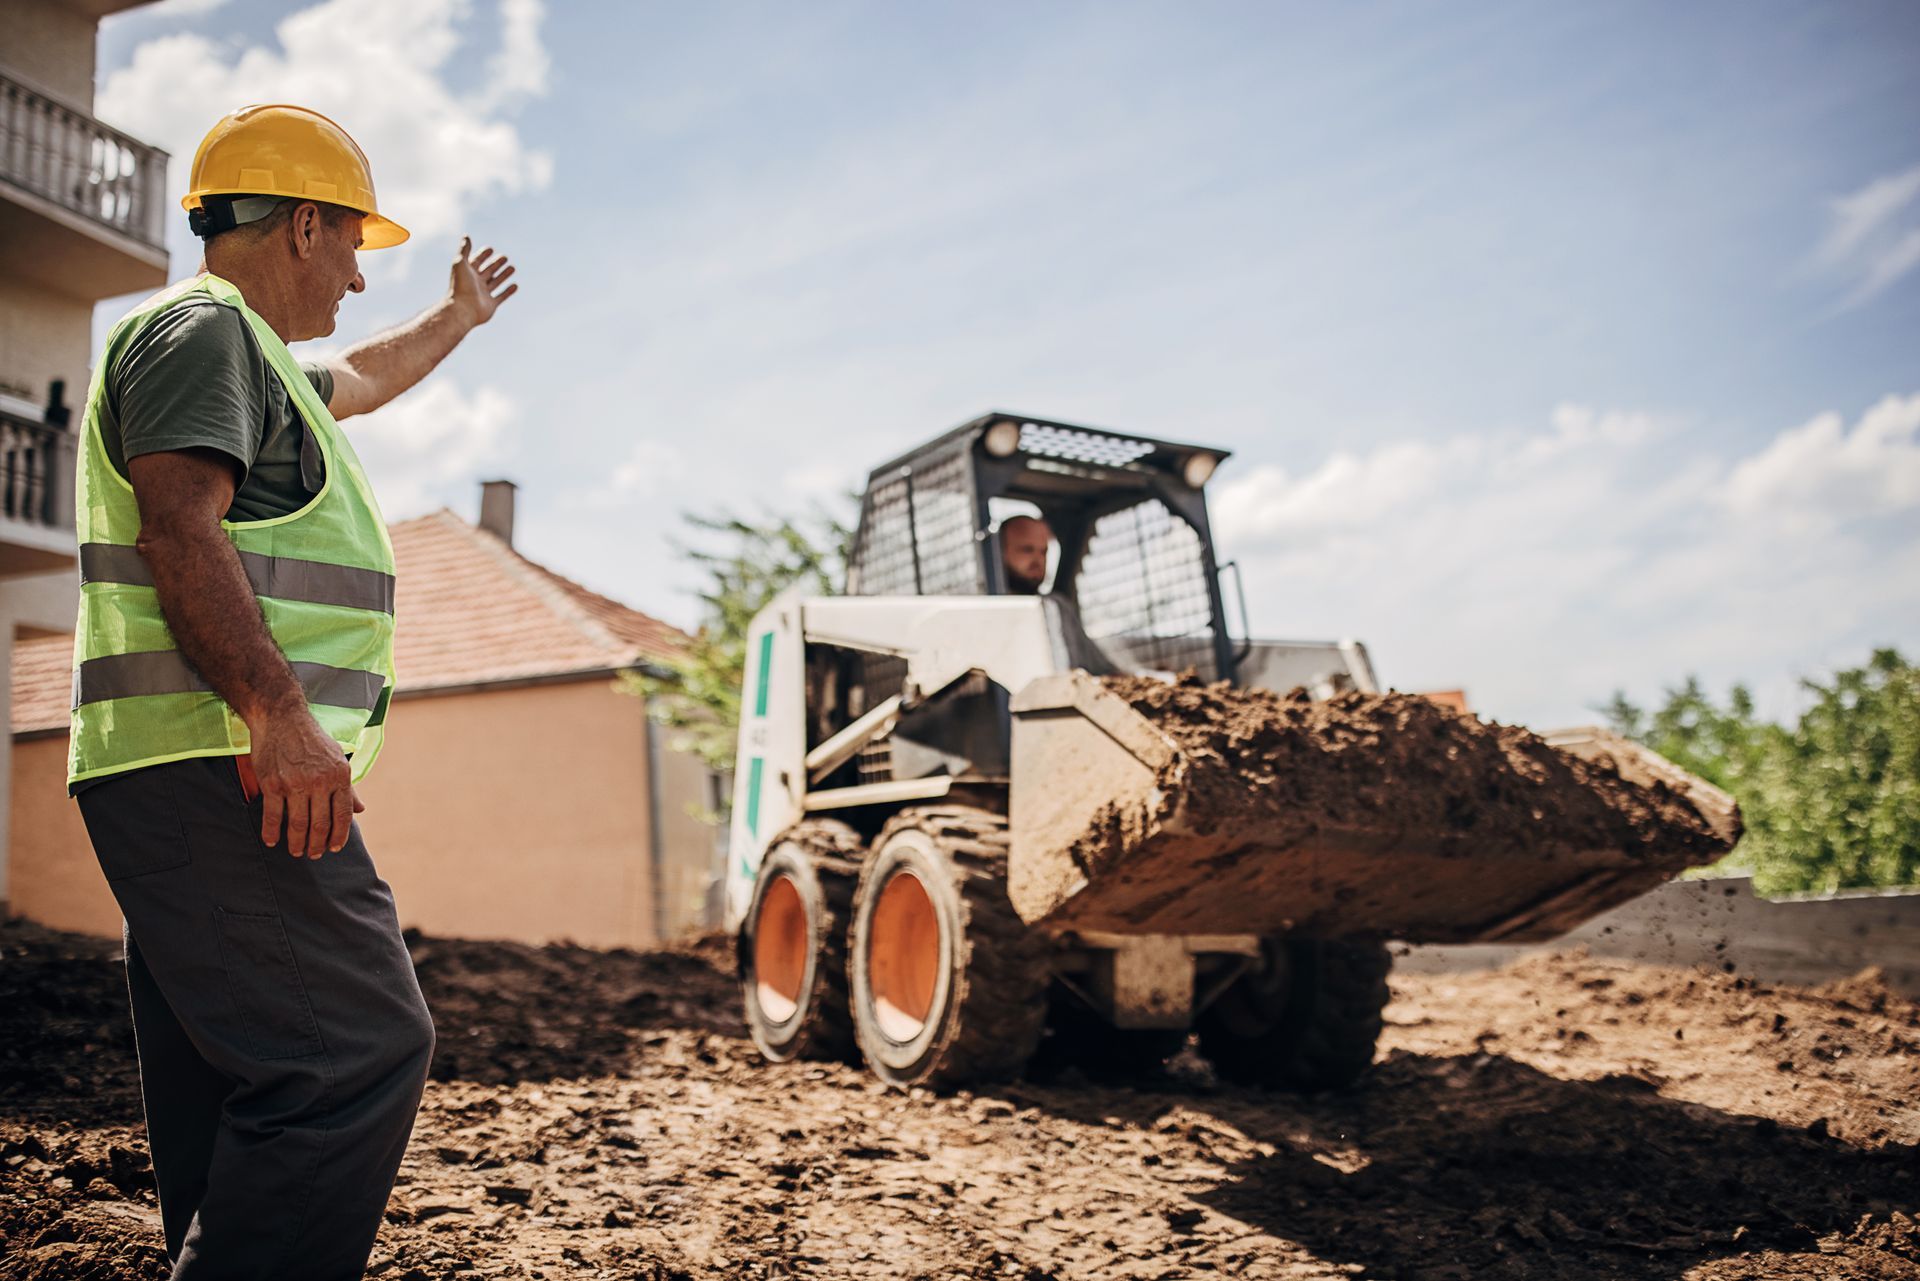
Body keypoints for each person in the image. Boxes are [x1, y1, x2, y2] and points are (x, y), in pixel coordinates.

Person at [67, 104, 519, 1279]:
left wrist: (459, 320)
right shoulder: (199, 332)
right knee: (354, 1049)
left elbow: (365, 373)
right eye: (358, 245)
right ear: (305, 227)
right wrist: (278, 711)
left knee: (240, 1077)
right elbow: (179, 521)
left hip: (190, 763)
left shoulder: (252, 357)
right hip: (223, 758)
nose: (362, 280)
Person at [995, 514, 1120, 675]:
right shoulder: (986, 612)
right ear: (999, 553)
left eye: (1043, 552)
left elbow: (1102, 670)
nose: (1038, 560)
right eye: (1027, 550)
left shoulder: (1057, 607)